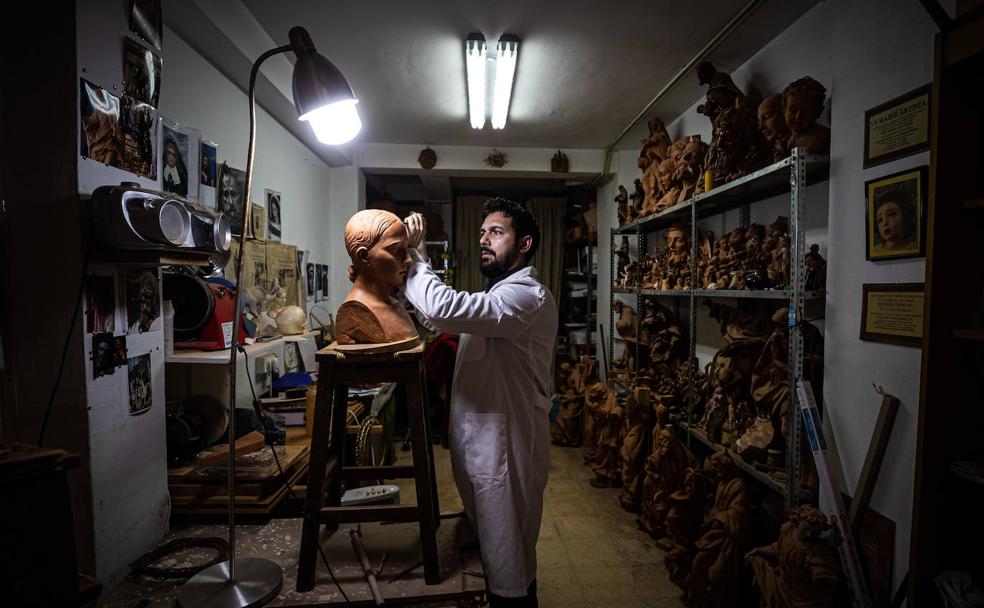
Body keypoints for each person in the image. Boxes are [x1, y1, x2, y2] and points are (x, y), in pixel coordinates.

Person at [403, 198, 558, 607]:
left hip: (507, 446)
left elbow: (442, 308)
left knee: (509, 558)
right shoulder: (498, 294)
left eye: (496, 232)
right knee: (495, 545)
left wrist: (417, 257)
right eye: (482, 232)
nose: (484, 240)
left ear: (524, 243)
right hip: (486, 441)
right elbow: (439, 316)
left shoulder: (527, 296)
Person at [335, 209, 418, 344]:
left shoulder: (394, 304)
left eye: (406, 249)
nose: (408, 259)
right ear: (363, 256)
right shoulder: (353, 312)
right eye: (395, 250)